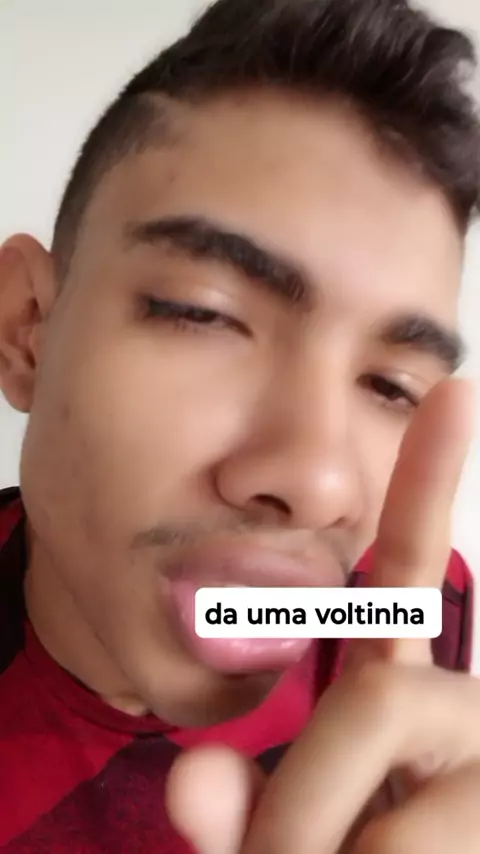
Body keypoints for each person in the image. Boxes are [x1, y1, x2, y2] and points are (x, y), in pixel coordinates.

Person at [0, 0, 479, 850]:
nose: (317, 483)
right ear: (27, 331)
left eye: (391, 385)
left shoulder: (408, 613)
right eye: (203, 314)